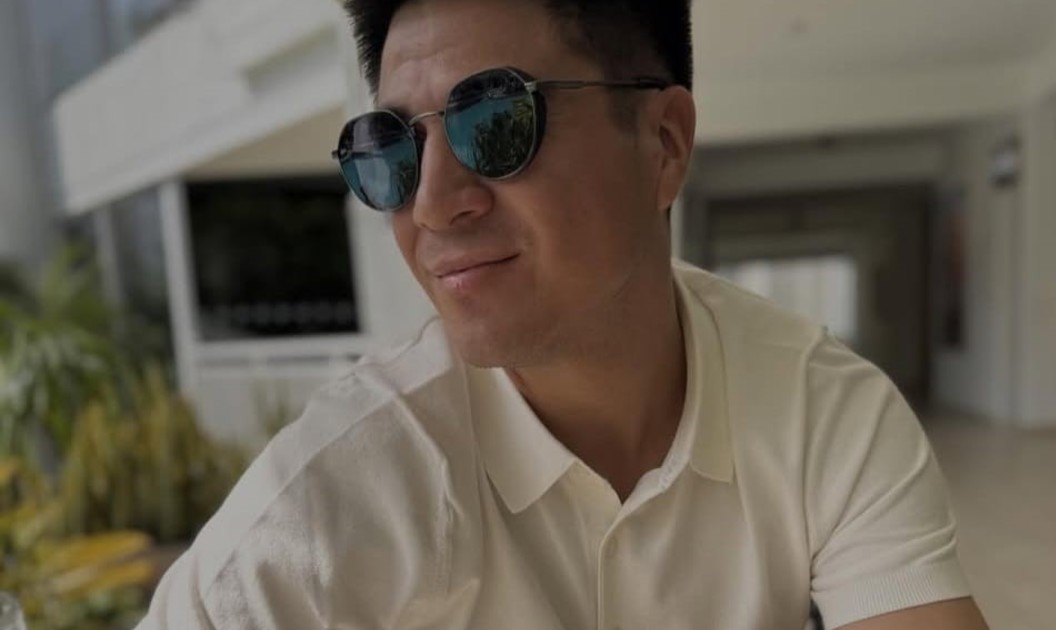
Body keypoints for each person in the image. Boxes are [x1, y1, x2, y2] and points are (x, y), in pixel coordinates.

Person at [137, 0, 991, 628]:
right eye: (390, 149)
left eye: (494, 121)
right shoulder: (331, 500)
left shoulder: (822, 411)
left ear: (663, 144)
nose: (432, 204)